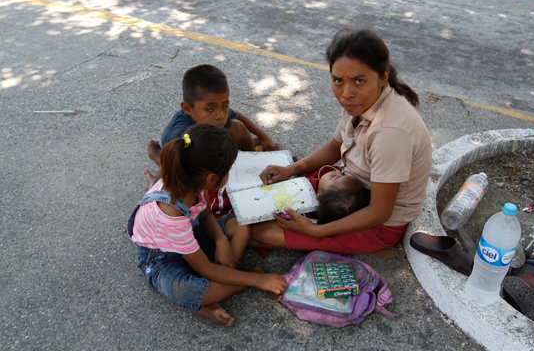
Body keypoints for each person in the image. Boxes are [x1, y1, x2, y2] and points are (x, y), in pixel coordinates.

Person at [249, 29, 432, 255]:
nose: (346, 93)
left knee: (258, 233)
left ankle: (363, 245)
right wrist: (291, 169)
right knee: (256, 203)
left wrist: (317, 231)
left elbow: (380, 211)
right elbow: (335, 146)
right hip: (344, 187)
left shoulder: (391, 132)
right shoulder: (360, 102)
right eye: (338, 80)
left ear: (383, 77)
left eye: (359, 81)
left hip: (375, 223)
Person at [128, 124, 287, 327]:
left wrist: (221, 241)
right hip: (160, 255)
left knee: (241, 224)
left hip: (190, 234)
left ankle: (223, 283)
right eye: (229, 170)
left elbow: (205, 215)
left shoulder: (193, 180)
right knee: (187, 291)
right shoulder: (171, 214)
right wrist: (258, 281)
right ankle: (226, 287)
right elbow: (205, 269)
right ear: (211, 178)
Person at [146, 64, 276, 184]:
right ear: (187, 108)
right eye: (209, 109)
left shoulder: (217, 117)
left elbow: (236, 114)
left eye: (224, 105)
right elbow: (173, 167)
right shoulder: (181, 133)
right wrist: (157, 177)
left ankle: (251, 156)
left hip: (210, 140)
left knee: (237, 126)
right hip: (181, 156)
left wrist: (264, 136)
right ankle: (158, 159)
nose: (220, 115)